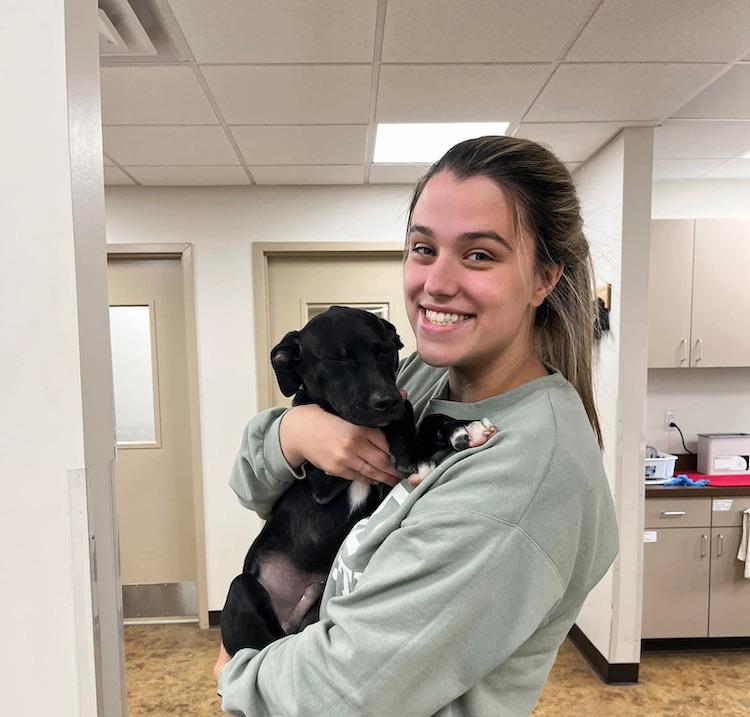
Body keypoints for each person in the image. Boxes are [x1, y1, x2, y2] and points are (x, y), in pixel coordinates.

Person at [214, 135, 619, 716]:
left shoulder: (524, 476)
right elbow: (251, 485)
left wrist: (238, 676)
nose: (435, 282)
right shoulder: (425, 378)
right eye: (423, 248)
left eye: (479, 254)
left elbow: (344, 697)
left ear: (543, 279)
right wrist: (295, 432)